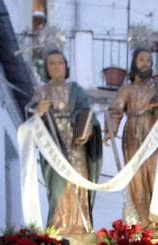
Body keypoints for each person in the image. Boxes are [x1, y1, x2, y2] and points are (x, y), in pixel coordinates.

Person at [104, 48, 158, 227]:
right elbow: (115, 110)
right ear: (134, 64)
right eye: (141, 60)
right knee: (137, 178)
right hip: (133, 135)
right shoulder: (127, 89)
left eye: (148, 60)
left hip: (155, 132)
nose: (145, 63)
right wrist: (111, 129)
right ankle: (143, 221)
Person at [29, 50, 102, 235]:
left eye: (60, 62)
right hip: (53, 144)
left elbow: (87, 112)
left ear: (66, 65)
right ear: (46, 68)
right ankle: (59, 227)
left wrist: (86, 130)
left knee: (79, 182)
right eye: (51, 63)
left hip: (76, 145)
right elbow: (29, 114)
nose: (56, 66)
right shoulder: (42, 91)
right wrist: (39, 110)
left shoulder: (75, 89)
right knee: (57, 186)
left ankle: (80, 226)